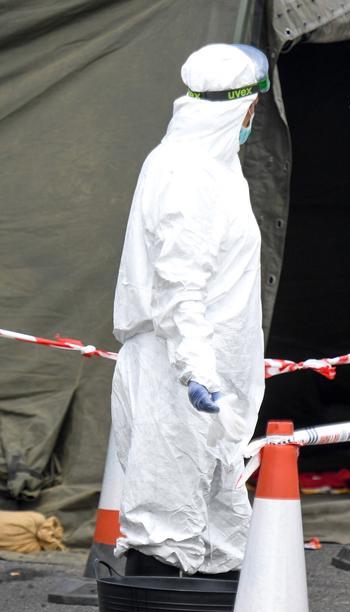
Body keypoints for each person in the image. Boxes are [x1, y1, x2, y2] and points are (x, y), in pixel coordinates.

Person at [111, 43, 269, 577]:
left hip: (201, 380)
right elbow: (180, 286)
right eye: (254, 111)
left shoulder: (213, 168)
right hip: (181, 378)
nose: (254, 121)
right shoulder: (189, 175)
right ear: (242, 109)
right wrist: (198, 373)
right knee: (165, 527)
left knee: (219, 531)